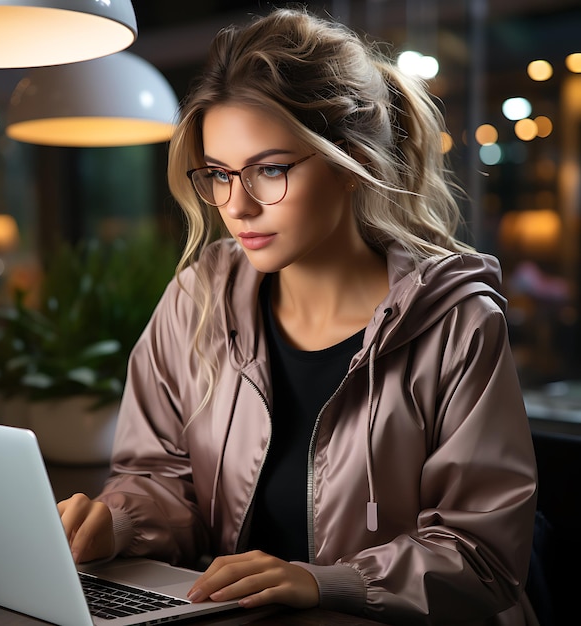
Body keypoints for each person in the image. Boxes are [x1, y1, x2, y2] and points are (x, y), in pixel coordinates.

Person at [58, 7, 538, 624]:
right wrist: (117, 522)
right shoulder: (195, 301)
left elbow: (483, 558)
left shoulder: (458, 324)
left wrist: (327, 582)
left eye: (271, 169)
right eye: (219, 175)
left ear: (348, 163)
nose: (239, 206)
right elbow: (158, 477)